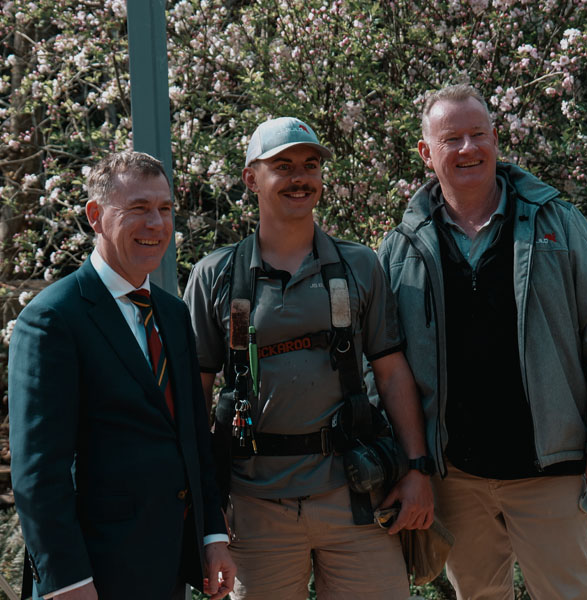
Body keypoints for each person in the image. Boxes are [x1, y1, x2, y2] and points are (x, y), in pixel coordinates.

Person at [183, 116, 434, 600]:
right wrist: (201, 499)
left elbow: (392, 372)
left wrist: (417, 470)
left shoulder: (359, 266)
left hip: (356, 497)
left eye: (310, 165)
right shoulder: (215, 275)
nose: (301, 177)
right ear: (251, 178)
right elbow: (196, 393)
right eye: (284, 165)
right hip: (255, 507)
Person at [378, 83, 587, 599]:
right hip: (457, 477)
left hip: (551, 467)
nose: (468, 149)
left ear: (497, 139)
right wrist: (410, 465)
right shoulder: (400, 248)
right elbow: (383, 365)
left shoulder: (558, 223)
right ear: (426, 152)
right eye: (451, 138)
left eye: (478, 134)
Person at [8, 151, 236, 600]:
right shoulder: (53, 319)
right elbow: (38, 473)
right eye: (138, 208)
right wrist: (68, 583)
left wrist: (212, 536)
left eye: (165, 209)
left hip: (168, 570)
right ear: (95, 216)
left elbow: (191, 438)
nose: (157, 223)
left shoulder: (172, 314)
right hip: (92, 578)